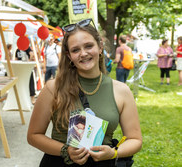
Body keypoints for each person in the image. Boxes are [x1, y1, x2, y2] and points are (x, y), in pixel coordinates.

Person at [27, 18, 142, 166]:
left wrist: (114, 152)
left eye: (88, 46)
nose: (83, 53)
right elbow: (33, 135)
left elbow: (135, 139)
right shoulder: (52, 88)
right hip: (60, 162)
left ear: (100, 47)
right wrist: (65, 150)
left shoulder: (121, 91)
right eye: (75, 50)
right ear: (69, 56)